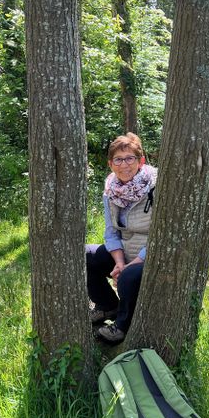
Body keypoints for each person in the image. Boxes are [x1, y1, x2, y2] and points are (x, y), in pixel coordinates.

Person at [87, 133, 157, 343]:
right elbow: (111, 232)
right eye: (118, 159)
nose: (124, 164)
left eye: (130, 158)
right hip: (124, 252)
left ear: (141, 160)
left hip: (152, 254)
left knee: (128, 277)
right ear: (110, 164)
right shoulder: (110, 191)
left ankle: (122, 326)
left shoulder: (156, 186)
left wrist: (131, 265)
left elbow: (160, 235)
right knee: (86, 255)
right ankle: (108, 306)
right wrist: (118, 262)